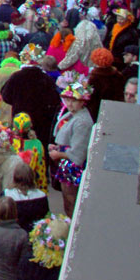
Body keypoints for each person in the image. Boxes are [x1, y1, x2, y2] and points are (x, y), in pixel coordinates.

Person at [50, 78, 94, 216]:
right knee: (67, 199)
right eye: (67, 99)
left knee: (71, 201)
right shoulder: (74, 115)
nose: (69, 103)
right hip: (67, 164)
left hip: (73, 168)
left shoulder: (82, 122)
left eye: (73, 100)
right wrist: (58, 147)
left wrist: (58, 154)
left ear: (82, 101)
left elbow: (78, 153)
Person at [3, 162, 48, 232]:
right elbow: (46, 218)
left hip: (14, 234)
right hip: (35, 234)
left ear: (15, 177)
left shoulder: (6, 195)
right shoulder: (41, 195)